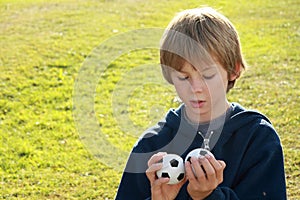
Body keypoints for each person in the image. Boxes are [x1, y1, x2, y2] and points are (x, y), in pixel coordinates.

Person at [115, 7, 286, 200]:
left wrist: (207, 196)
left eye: (207, 75)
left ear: (234, 70)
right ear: (169, 75)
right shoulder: (151, 145)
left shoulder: (258, 139)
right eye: (184, 77)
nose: (196, 88)